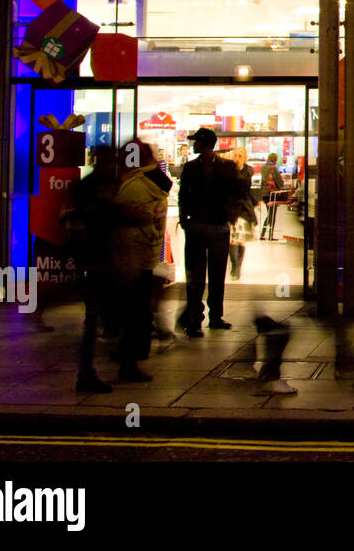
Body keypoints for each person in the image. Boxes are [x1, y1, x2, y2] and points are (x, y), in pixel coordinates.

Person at [109, 140, 170, 382]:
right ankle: (130, 358)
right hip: (145, 257)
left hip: (130, 258)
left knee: (133, 314)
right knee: (139, 313)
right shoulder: (154, 184)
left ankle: (127, 359)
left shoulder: (133, 187)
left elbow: (118, 221)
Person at [177, 127, 246, 337]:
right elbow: (183, 197)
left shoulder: (223, 167)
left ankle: (214, 315)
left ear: (204, 144)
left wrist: (229, 218)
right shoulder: (192, 167)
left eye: (196, 141)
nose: (193, 144)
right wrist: (184, 220)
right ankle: (196, 318)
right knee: (196, 274)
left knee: (215, 273)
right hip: (200, 226)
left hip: (213, 225)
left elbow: (236, 195)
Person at [69, 145, 120, 393]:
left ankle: (96, 367)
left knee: (101, 317)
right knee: (94, 318)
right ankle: (86, 372)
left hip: (101, 260)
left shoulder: (103, 185)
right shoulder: (92, 189)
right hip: (95, 261)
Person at [226, 148, 258, 280]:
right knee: (232, 240)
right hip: (231, 210)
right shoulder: (228, 170)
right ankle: (234, 266)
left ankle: (237, 267)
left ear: (245, 158)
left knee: (241, 240)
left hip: (244, 210)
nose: (237, 158)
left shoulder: (248, 171)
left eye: (240, 156)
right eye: (235, 156)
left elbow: (244, 186)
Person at [259, 153, 286, 240]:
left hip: (264, 194)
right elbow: (279, 181)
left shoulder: (263, 167)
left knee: (270, 214)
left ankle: (264, 234)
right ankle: (268, 235)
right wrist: (282, 186)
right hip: (272, 194)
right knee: (272, 215)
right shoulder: (274, 168)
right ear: (275, 159)